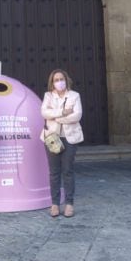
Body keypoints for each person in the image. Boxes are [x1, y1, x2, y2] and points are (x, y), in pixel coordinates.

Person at [41, 69, 83, 218]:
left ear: (66, 79)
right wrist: (63, 112)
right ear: (52, 82)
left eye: (61, 79)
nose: (59, 82)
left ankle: (69, 203)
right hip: (53, 137)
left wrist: (58, 117)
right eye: (56, 80)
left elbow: (77, 115)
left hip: (70, 137)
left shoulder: (74, 95)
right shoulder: (48, 96)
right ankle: (55, 204)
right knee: (54, 172)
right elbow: (44, 113)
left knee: (68, 171)